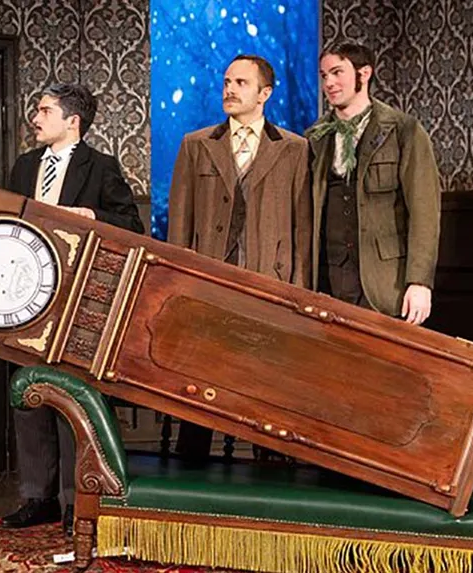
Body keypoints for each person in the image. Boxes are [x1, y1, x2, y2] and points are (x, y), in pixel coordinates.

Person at [0, 82, 144, 536]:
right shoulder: (25, 166)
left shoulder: (100, 168)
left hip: (78, 298)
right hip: (23, 295)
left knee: (70, 395)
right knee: (28, 393)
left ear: (72, 121)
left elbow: (132, 225)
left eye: (44, 110)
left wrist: (93, 217)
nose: (35, 118)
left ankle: (72, 500)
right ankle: (36, 497)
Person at [167, 54, 311, 461]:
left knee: (267, 385)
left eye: (241, 83)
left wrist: (298, 292)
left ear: (265, 93)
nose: (229, 89)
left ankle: (273, 472)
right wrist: (180, 283)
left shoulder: (294, 150)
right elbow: (180, 222)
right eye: (227, 81)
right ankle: (190, 472)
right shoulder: (196, 145)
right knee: (199, 379)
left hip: (269, 284)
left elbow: (302, 227)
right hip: (209, 285)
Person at [305, 42, 440, 324]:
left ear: (364, 74)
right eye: (323, 75)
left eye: (337, 72)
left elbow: (425, 212)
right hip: (329, 280)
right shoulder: (315, 137)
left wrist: (420, 282)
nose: (328, 82)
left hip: (384, 283)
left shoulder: (403, 130)